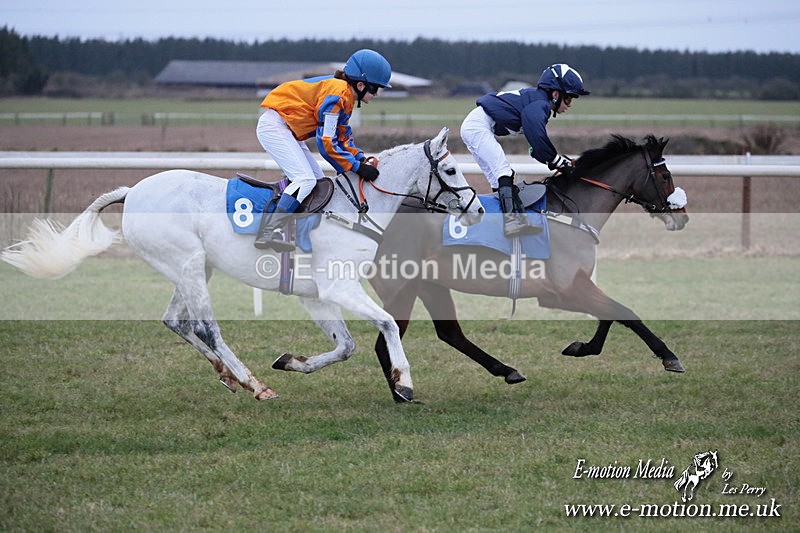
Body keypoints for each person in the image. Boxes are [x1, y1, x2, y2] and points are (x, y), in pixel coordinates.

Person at [254, 49, 392, 251]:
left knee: (319, 184)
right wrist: (355, 167)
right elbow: (326, 142)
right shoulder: (338, 94)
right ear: (361, 85)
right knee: (305, 180)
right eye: (375, 89)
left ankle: (300, 235)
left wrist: (360, 159)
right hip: (275, 126)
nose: (376, 94)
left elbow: (342, 136)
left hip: (288, 130)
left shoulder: (345, 96)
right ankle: (269, 230)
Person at [460, 63, 590, 237]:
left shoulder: (537, 104)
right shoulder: (540, 105)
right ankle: (512, 222)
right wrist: (557, 161)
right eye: (568, 99)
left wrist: (556, 160)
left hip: (476, 125)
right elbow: (538, 140)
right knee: (504, 172)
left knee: (497, 180)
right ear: (555, 94)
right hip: (478, 126)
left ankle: (503, 223)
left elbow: (535, 148)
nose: (569, 104)